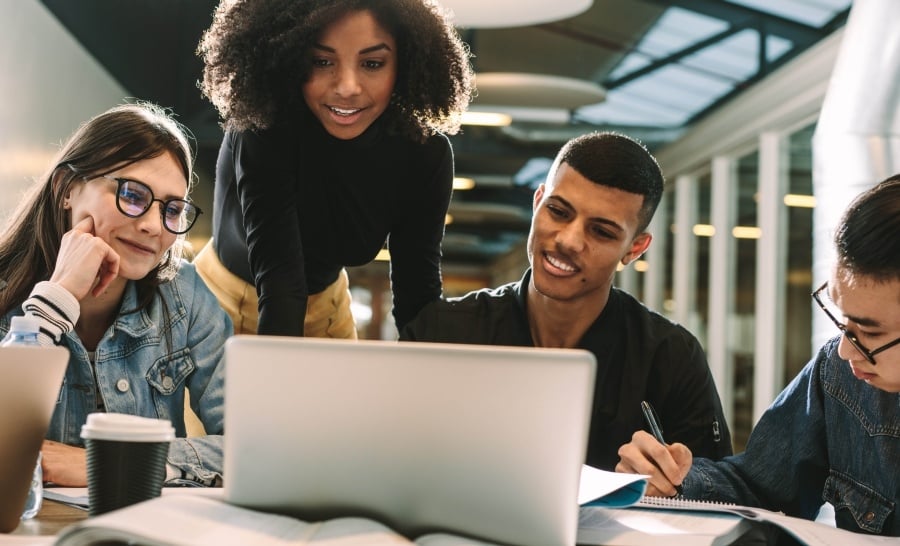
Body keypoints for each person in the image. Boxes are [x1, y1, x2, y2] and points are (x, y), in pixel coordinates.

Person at [401, 131, 733, 471]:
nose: (569, 241)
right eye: (558, 212)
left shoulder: (671, 358)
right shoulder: (442, 333)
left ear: (634, 249)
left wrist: (669, 487)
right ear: (537, 203)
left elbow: (718, 491)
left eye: (601, 232)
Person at [616, 175, 900, 537]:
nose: (845, 349)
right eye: (841, 320)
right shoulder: (839, 374)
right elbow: (760, 487)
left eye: (870, 333)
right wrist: (673, 481)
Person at [194, 0, 473, 337]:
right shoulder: (264, 128)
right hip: (214, 304)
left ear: (406, 63)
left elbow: (418, 292)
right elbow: (281, 283)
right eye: (322, 61)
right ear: (291, 58)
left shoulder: (425, 155)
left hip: (326, 309)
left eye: (372, 63)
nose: (347, 87)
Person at [0, 102, 230, 487]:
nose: (154, 226)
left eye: (172, 209)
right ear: (66, 190)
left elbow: (251, 446)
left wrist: (109, 464)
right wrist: (57, 298)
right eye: (133, 194)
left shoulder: (185, 295)